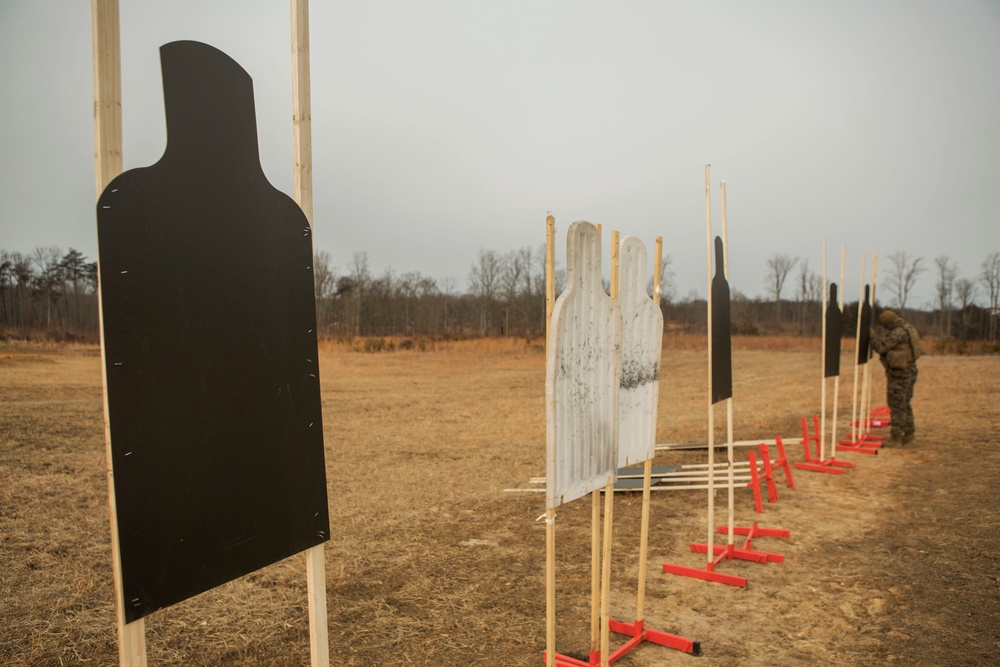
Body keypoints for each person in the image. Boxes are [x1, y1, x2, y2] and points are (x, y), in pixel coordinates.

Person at [870, 310, 921, 444]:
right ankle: (909, 433)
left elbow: (881, 347)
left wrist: (872, 337)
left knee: (896, 404)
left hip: (900, 374)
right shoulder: (908, 328)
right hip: (910, 371)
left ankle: (896, 437)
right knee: (905, 403)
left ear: (888, 323)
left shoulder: (898, 333)